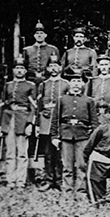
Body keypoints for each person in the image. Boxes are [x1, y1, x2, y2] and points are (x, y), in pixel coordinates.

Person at [50, 69, 99, 194]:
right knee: (67, 166)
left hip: (83, 136)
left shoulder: (88, 101)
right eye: (73, 81)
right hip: (66, 134)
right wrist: (54, 136)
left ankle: (81, 191)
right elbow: (55, 119)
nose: (76, 84)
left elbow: (94, 122)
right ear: (69, 84)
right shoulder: (62, 100)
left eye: (78, 81)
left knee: (81, 164)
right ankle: (67, 190)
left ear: (83, 83)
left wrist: (93, 139)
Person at [0, 55, 37, 189]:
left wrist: (29, 124)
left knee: (22, 152)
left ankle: (20, 181)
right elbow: (2, 105)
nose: (19, 70)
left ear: (26, 71)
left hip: (23, 118)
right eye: (17, 68)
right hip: (9, 119)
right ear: (13, 70)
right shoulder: (7, 85)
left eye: (22, 68)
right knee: (10, 152)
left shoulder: (30, 85)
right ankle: (10, 180)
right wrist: (0, 124)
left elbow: (33, 107)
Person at [34, 54, 69, 191]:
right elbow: (39, 105)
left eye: (56, 66)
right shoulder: (43, 84)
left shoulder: (65, 84)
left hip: (60, 121)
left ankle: (60, 180)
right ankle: (49, 179)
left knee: (60, 153)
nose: (54, 69)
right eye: (51, 66)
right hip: (46, 120)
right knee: (48, 153)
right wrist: (37, 123)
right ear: (48, 68)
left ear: (60, 68)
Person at [87, 54, 110, 122]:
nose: (104, 67)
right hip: (94, 114)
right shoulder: (93, 81)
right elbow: (87, 98)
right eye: (102, 65)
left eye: (106, 65)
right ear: (98, 66)